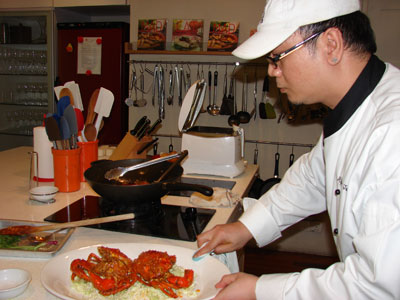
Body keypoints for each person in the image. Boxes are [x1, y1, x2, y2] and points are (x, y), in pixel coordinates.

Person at [193, 0, 400, 299]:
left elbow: (376, 285)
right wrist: (244, 229)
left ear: (331, 45)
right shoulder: (354, 109)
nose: (272, 71)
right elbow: (312, 179)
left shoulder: (392, 132)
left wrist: (259, 289)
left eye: (278, 57)